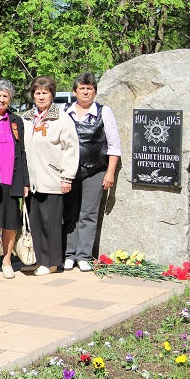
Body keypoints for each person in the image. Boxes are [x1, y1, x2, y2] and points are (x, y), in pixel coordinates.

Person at [63, 72, 121, 272]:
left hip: (95, 171)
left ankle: (84, 256)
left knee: (88, 214)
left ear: (95, 92)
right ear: (75, 91)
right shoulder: (65, 112)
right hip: (69, 172)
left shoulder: (104, 112)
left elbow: (114, 146)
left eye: (89, 88)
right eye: (82, 88)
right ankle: (69, 254)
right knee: (69, 213)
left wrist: (110, 173)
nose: (85, 91)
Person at [21, 76, 79, 276]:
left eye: (45, 92)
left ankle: (52, 261)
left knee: (51, 223)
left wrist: (67, 177)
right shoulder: (26, 118)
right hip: (32, 181)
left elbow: (70, 149)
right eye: (37, 93)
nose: (41, 96)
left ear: (52, 95)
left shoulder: (61, 118)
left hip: (52, 177)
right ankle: (39, 259)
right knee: (35, 222)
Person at [0, 80, 29, 279]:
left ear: (10, 98)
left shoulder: (16, 120)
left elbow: (22, 152)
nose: (2, 99)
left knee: (10, 223)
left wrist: (25, 182)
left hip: (11, 178)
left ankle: (7, 260)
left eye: (5, 96)